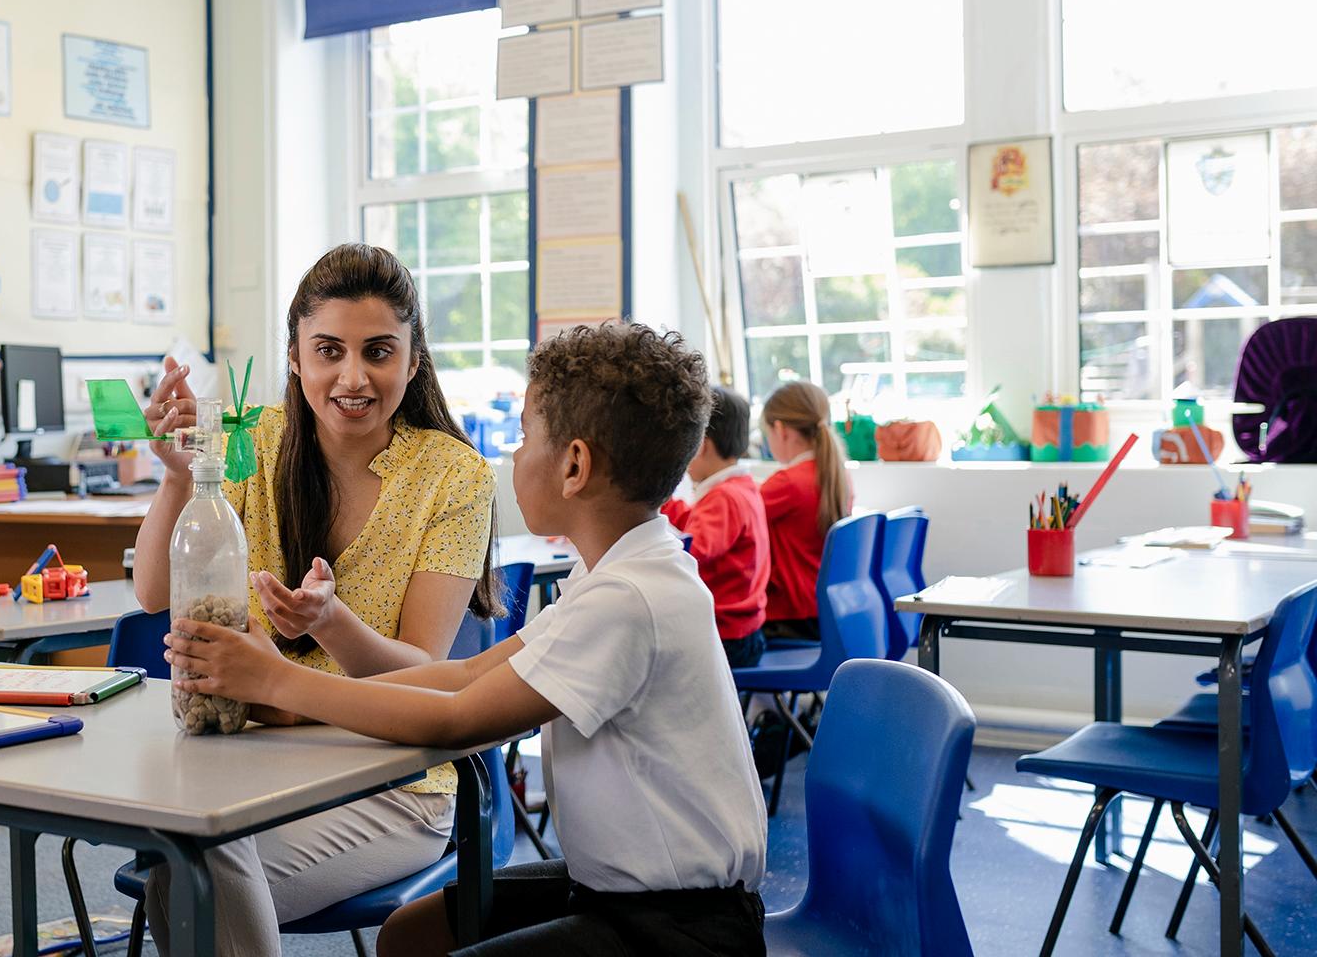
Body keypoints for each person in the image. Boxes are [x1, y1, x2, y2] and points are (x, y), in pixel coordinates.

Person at [164, 324, 768, 957]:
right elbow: (468, 674)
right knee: (412, 935)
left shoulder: (629, 600)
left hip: (681, 927)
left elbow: (458, 719)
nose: (512, 453)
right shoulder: (618, 571)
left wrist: (278, 679)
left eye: (525, 436)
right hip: (626, 891)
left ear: (574, 465)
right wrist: (291, 695)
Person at [132, 244, 498, 955]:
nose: (352, 377)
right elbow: (152, 591)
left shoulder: (455, 475)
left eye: (379, 352)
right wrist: (177, 477)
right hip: (252, 757)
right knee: (188, 861)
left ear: (414, 360)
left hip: (396, 779)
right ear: (295, 356)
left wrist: (334, 626)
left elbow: (423, 672)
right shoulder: (252, 440)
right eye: (328, 350)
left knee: (192, 873)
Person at [662, 386, 770, 667]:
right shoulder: (740, 487)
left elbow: (692, 552)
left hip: (728, 637)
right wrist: (663, 502)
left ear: (700, 445)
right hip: (745, 632)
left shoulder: (723, 497)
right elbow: (698, 526)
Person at [757, 381, 852, 641]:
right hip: (823, 613)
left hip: (790, 617)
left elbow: (740, 518)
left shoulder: (787, 483)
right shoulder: (837, 475)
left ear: (780, 429)